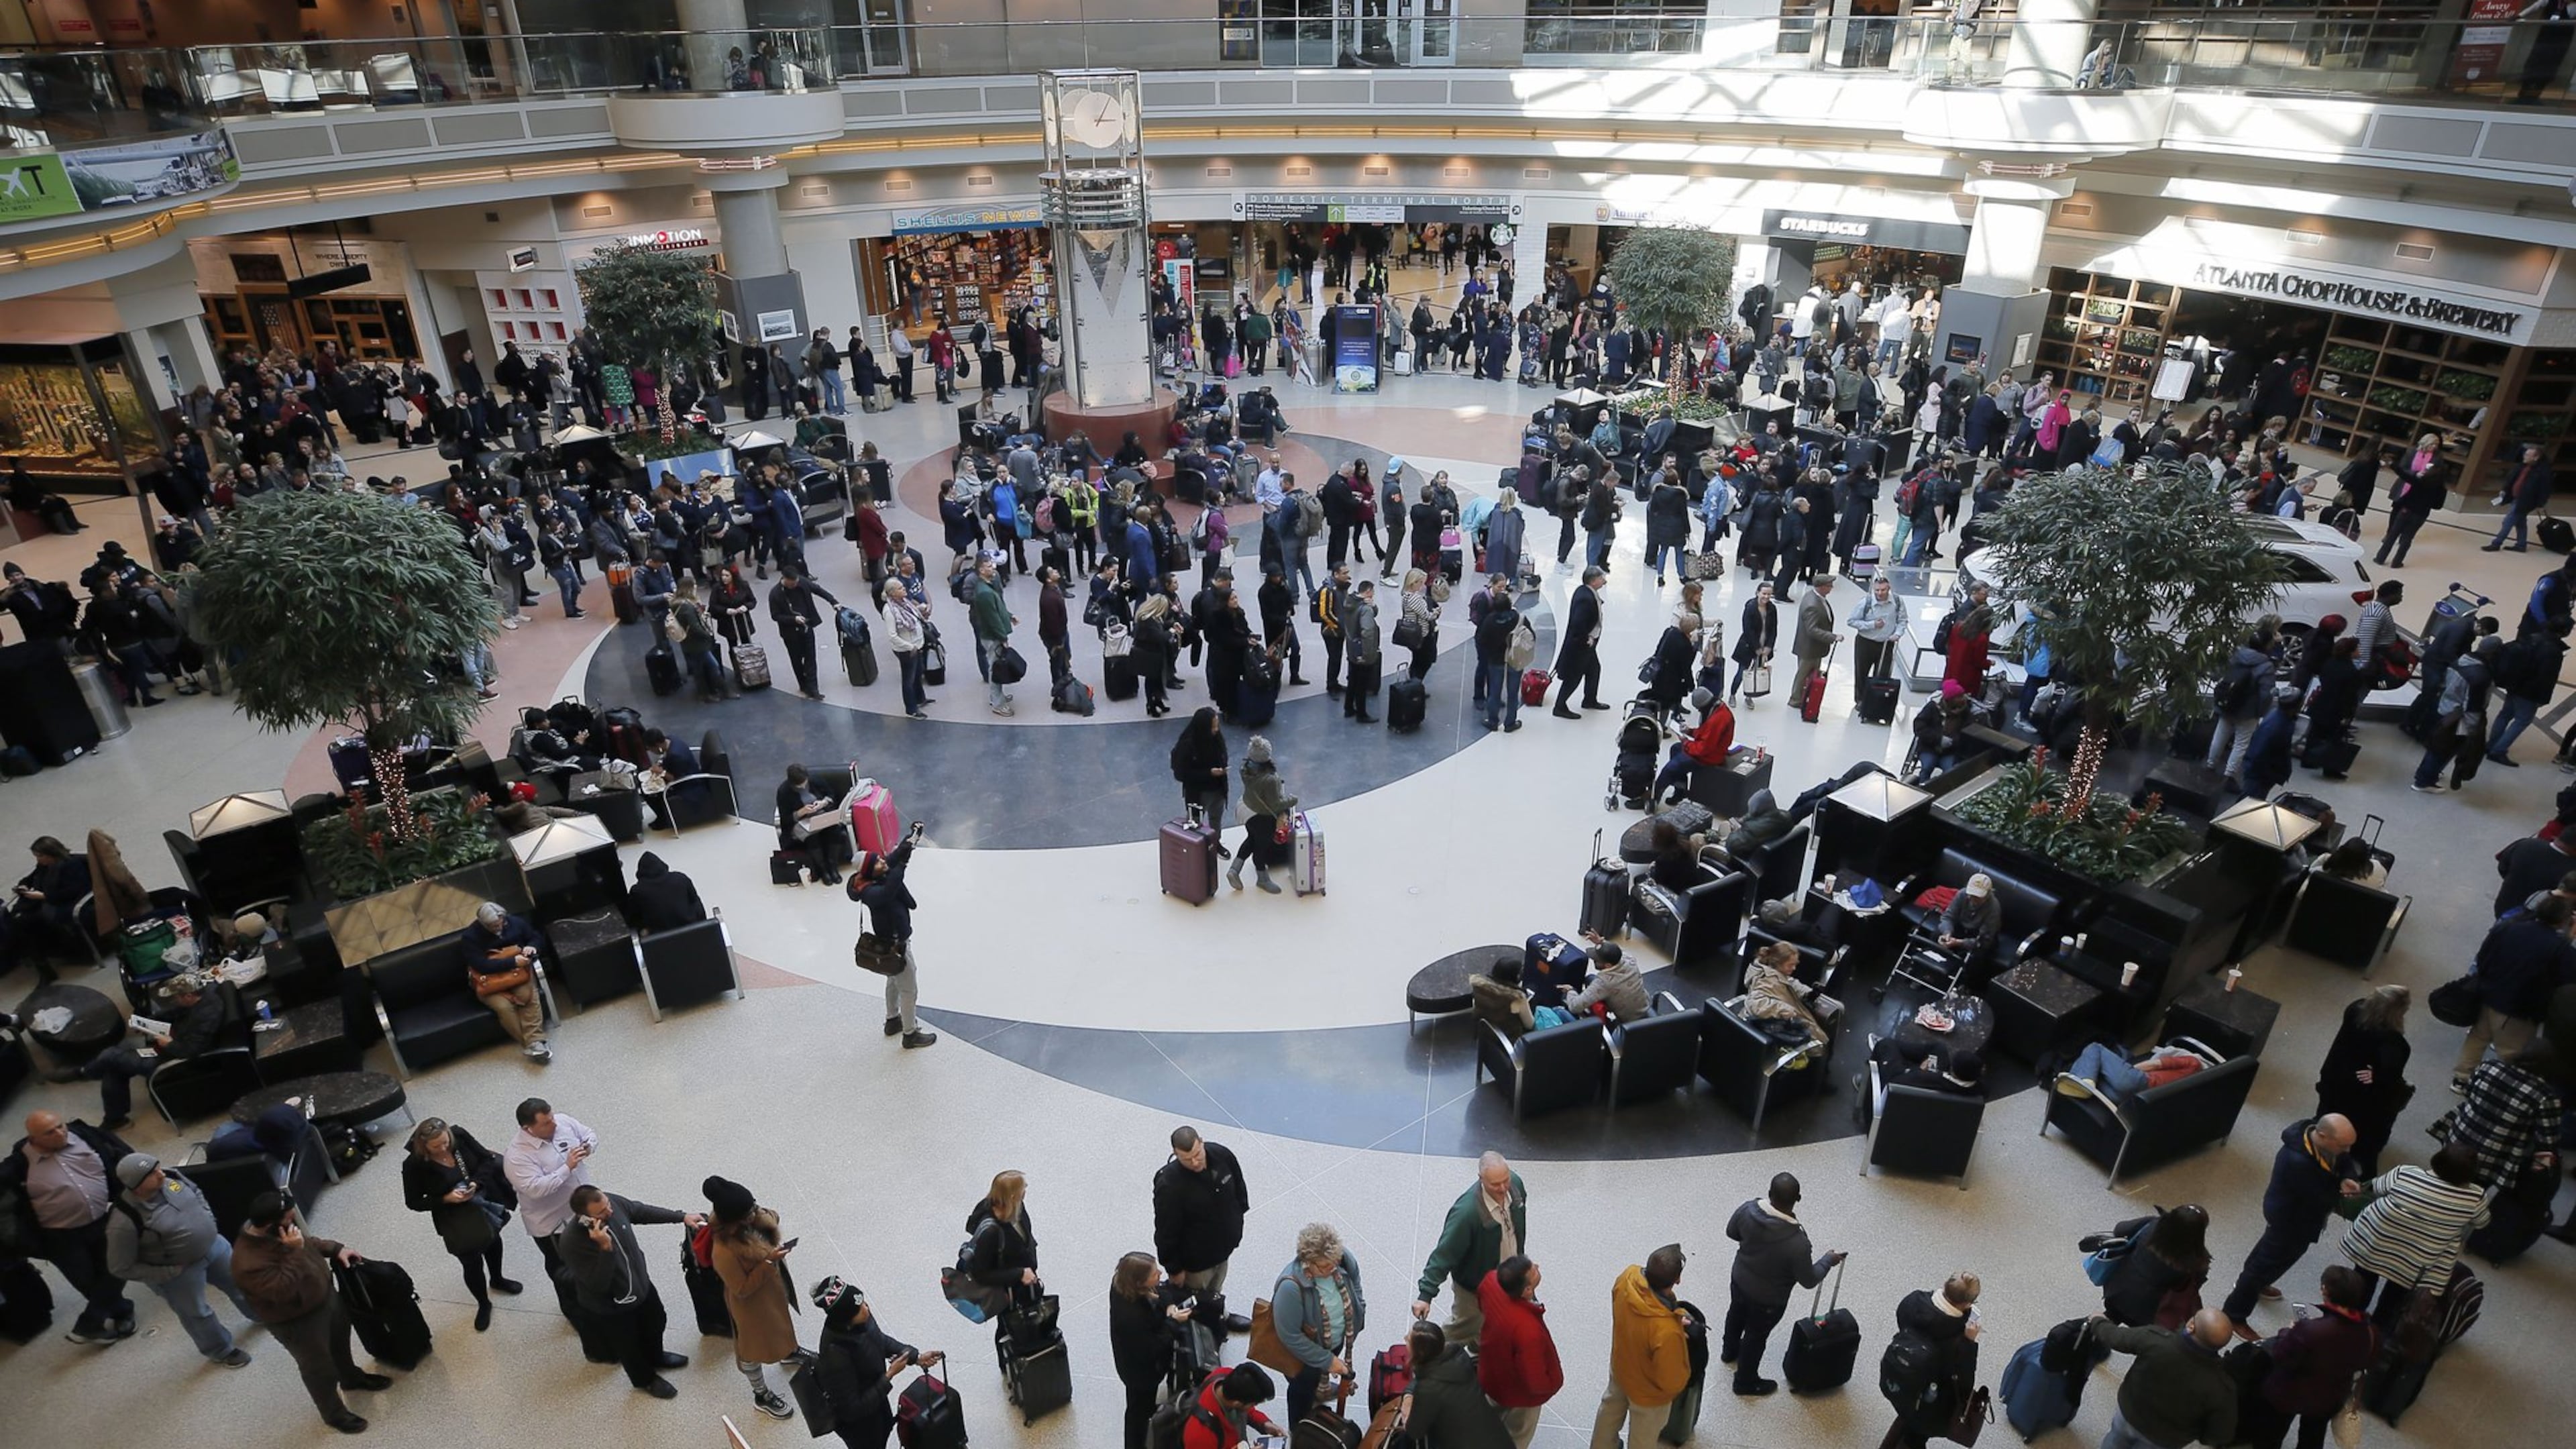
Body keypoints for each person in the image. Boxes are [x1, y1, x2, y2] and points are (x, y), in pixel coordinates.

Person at [233, 1190, 395, 1432]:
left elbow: (306, 1242)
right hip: (298, 1321)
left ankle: (351, 1378)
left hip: (325, 1299)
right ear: (269, 1224)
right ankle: (334, 1414)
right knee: (319, 1368)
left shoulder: (282, 1231)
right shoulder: (247, 1263)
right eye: (288, 1218)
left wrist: (334, 1248)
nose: (293, 1222)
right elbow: (283, 1291)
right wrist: (294, 1251)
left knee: (340, 1343)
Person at [103, 1151, 256, 1366]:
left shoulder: (171, 1178)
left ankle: (260, 1315)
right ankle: (221, 1350)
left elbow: (196, 1191)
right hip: (179, 1273)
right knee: (197, 1313)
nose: (161, 1174)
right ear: (137, 1187)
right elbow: (120, 1267)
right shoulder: (123, 1222)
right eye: (152, 1173)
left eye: (158, 1167)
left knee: (241, 1283)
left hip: (214, 1247)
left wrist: (208, 1218)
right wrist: (166, 1274)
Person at [556, 1183, 705, 1398]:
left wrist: (681, 1217)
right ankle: (644, 1379)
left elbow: (639, 1210)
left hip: (639, 1284)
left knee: (657, 1321)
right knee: (629, 1346)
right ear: (585, 1217)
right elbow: (598, 1284)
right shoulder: (573, 1242)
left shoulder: (611, 1203)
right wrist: (605, 1248)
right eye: (601, 1213)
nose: (610, 1211)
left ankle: (656, 1356)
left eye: (607, 1205)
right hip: (612, 1305)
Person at [4, 1110, 138, 1344]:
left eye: (60, 1126)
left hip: (101, 1219)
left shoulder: (86, 1136)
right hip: (59, 1236)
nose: (60, 1133)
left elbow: (121, 1156)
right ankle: (119, 1311)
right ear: (33, 1139)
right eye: (49, 1132)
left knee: (116, 1267)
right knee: (86, 1280)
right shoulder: (18, 1167)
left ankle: (92, 1322)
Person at [2219, 1118, 2359, 1337]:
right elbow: (2320, 1198)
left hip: (2301, 1218)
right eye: (2343, 1145)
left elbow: (2344, 1160)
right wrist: (2343, 1193)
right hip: (2290, 1220)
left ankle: (2257, 1283)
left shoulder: (2320, 1140)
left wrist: (2347, 1177)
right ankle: (2234, 1315)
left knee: (2272, 1256)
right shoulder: (2297, 1161)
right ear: (2323, 1136)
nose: (2347, 1150)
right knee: (2267, 1262)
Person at [500, 1097, 614, 1361]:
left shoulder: (562, 1122)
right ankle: (574, 1311)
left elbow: (589, 1134)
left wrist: (588, 1147)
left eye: (551, 1117)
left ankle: (598, 1296)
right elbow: (535, 1189)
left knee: (593, 1256)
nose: (554, 1124)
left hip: (582, 1211)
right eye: (546, 1123)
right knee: (564, 1270)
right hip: (553, 1224)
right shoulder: (517, 1156)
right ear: (529, 1128)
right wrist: (568, 1167)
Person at [1723, 1173, 1843, 1397]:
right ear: (1798, 1198)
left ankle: (1729, 1351)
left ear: (1770, 1194)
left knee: (1736, 1313)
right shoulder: (1798, 1243)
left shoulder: (1748, 1210)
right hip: (1767, 1301)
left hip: (1739, 1280)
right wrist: (1828, 1260)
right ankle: (1745, 1382)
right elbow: (1808, 1280)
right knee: (1756, 1336)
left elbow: (1731, 1232)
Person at [2340, 1142, 2491, 1322]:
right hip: (2417, 1258)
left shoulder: (2406, 1173)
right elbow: (2482, 1222)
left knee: (2363, 1279)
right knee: (2396, 1295)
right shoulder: (2476, 1197)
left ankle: (2348, 1319)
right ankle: (2378, 1328)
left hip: (2378, 1241)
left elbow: (2376, 1187)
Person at [55, 971, 225, 1130]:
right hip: (170, 1047)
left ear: (188, 996)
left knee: (111, 1056)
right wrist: (149, 1022)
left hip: (175, 1061)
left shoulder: (206, 1016)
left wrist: (169, 1044)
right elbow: (177, 1012)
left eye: (176, 997)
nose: (174, 1000)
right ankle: (114, 1119)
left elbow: (191, 1050)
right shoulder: (201, 998)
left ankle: (84, 1073)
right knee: (113, 1066)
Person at [399, 1118, 522, 1333]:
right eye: (436, 1146)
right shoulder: (413, 1165)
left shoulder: (460, 1137)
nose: (443, 1148)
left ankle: (497, 1278)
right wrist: (446, 1198)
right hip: (453, 1218)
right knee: (470, 1261)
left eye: (445, 1142)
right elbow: (414, 1202)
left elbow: (487, 1160)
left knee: (493, 1240)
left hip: (481, 1202)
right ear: (423, 1145)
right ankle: (483, 1303)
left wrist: (476, 1183)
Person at [2243, 1266, 2376, 1449]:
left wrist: (2288, 1332)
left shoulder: (2309, 1331)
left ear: (2325, 1290)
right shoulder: (2370, 1332)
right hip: (2330, 1397)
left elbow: (2282, 1356)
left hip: (2290, 1392)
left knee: (2272, 1433)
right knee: (2313, 1436)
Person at [704, 1175, 802, 1421]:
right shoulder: (724, 1251)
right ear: (733, 1220)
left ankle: (789, 1351)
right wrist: (769, 1262)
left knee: (781, 1326)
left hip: (772, 1293)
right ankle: (761, 1394)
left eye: (753, 1207)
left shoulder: (752, 1215)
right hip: (751, 1307)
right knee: (751, 1349)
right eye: (748, 1213)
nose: (753, 1214)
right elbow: (741, 1288)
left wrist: (761, 1215)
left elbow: (772, 1218)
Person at [2455, 895, 2576, 1087]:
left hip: (2487, 994)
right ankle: (2502, 1089)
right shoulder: (2560, 949)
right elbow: (2567, 981)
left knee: (2477, 1038)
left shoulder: (2508, 927)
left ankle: (2462, 1078)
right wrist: (2569, 939)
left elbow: (2484, 955)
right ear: (2564, 920)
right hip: (2518, 1010)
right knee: (2512, 1053)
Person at [810, 1274, 943, 1449]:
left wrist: (915, 1357)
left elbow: (879, 1340)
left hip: (876, 1402)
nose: (867, 1308)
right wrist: (889, 1376)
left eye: (863, 1302)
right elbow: (852, 1410)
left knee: (883, 1433)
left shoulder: (860, 1319)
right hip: (860, 1425)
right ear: (847, 1320)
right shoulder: (835, 1355)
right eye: (860, 1308)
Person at [1411, 1152, 1527, 1346]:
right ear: (1481, 1179)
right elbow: (1444, 1254)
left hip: (1508, 1276)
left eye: (1505, 1180)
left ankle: (1478, 1355)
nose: (1502, 1188)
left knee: (1495, 1324)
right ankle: (1432, 1358)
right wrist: (1426, 1295)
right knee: (1462, 1328)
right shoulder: (1467, 1214)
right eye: (1495, 1184)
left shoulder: (1515, 1186)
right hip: (1475, 1287)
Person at [1589, 1244, 1693, 1449]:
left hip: (1621, 1365)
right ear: (1677, 1280)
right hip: (1647, 1393)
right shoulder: (1666, 1330)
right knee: (1642, 1438)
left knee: (1610, 1411)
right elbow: (1671, 1381)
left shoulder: (1627, 1278)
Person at [2089, 1308, 2239, 1449]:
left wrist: (2098, 1321)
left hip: (2129, 1413)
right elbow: (2220, 1434)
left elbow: (2116, 1338)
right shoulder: (2222, 1388)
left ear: (2192, 1326)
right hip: (2165, 1440)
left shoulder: (2156, 1340)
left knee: (2115, 1441)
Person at [850, 819, 936, 1049]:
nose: (882, 860)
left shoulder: (876, 874)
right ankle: (910, 1034)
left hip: (891, 945)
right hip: (897, 945)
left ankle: (892, 1020)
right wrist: (903, 866)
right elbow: (891, 887)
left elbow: (896, 856)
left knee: (893, 979)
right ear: (870, 870)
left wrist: (913, 838)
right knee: (909, 989)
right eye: (877, 861)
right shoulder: (871, 892)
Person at [1271, 1222, 1365, 1425]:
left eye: (1334, 1262)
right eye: (1324, 1266)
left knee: (1319, 1375)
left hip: (1335, 1340)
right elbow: (1290, 1337)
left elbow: (1356, 1283)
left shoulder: (1342, 1259)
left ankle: (1320, 1389)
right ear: (1308, 1261)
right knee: (1302, 1389)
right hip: (1303, 1356)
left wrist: (1360, 1309)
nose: (1332, 1269)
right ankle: (1299, 1428)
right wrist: (1328, 1361)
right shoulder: (1290, 1287)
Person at [1154, 1126, 1250, 1324]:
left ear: (1202, 1142)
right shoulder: (1169, 1184)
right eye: (1187, 1159)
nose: (1195, 1162)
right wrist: (1174, 1269)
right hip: (1195, 1263)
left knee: (1215, 1289)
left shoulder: (1222, 1155)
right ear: (1175, 1154)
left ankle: (1218, 1315)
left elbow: (1239, 1187)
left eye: (1198, 1154)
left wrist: (1238, 1219)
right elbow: (1166, 1232)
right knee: (1194, 1301)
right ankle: (1200, 1333)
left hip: (1223, 1248)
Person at [2313, 987, 2411, 1177]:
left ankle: (2321, 1138)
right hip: (2362, 1093)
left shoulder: (2354, 1010)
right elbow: (2392, 1075)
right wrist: (2378, 1075)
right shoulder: (2394, 1042)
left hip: (2336, 1075)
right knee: (2366, 1130)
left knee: (2328, 1109)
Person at [1880, 1272, 1981, 1449]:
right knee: (1918, 1432)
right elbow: (1964, 1383)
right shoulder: (1958, 1341)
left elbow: (1901, 1321)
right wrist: (1969, 1343)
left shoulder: (1913, 1301)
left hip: (1898, 1374)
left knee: (1907, 1413)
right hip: (1929, 1400)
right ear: (1968, 1304)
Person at [2441, 1047, 2562, 1189]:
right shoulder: (2545, 1096)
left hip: (2458, 1137)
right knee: (2473, 1189)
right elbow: (2547, 1140)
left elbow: (2469, 1092)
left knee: (2443, 1175)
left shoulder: (2489, 1066)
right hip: (2492, 1157)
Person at [1476, 1254, 1564, 1449]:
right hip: (1520, 1395)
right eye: (1534, 1271)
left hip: (1491, 1374)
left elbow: (1482, 1305)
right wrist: (1553, 1384)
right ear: (1527, 1290)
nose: (1538, 1266)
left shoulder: (1491, 1280)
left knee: (1488, 1420)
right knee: (1517, 1437)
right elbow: (1535, 1381)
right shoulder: (1527, 1330)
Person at [1110, 1251, 1196, 1448]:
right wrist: (1173, 1322)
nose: (1159, 1273)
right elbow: (1153, 1348)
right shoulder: (1130, 1318)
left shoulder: (1122, 1283)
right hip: (1140, 1372)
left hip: (1138, 1361)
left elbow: (1160, 1290)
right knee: (1137, 1412)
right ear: (1139, 1283)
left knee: (1141, 1405)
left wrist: (1169, 1305)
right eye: (1153, 1274)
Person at [459, 900, 552, 1062]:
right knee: (504, 1008)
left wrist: (532, 947)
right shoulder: (470, 937)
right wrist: (512, 962)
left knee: (528, 996)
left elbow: (535, 937)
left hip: (518, 974)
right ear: (482, 923)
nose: (499, 928)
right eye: (493, 926)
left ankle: (535, 1044)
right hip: (490, 982)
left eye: (500, 924)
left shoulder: (515, 922)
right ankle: (534, 1044)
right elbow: (481, 965)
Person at [1405, 1320, 1517, 1446]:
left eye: (1408, 1340)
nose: (1405, 1340)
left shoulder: (1428, 1388)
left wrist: (1408, 1396)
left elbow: (1414, 1431)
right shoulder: (1458, 1354)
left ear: (1419, 1352)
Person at [4, 836, 91, 981]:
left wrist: (43, 896)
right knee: (16, 919)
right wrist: (24, 885)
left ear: (52, 853)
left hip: (62, 905)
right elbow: (30, 878)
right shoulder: (45, 865)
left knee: (22, 923)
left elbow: (73, 892)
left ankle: (43, 967)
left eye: (40, 856)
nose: (38, 860)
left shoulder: (72, 865)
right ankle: (41, 959)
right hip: (46, 901)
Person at [962, 1169, 1042, 1327]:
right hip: (1011, 1296)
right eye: (1022, 1189)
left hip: (1027, 1286)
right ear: (1012, 1195)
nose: (1025, 1191)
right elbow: (981, 1274)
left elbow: (1025, 1238)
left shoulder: (1017, 1208)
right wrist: (1019, 1274)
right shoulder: (991, 1231)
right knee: (1015, 1335)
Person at [1228, 736, 1298, 894]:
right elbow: (1276, 804)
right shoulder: (1270, 780)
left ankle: (1235, 869)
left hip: (1246, 808)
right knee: (1261, 847)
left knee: (1251, 839)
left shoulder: (1245, 768)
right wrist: (1292, 801)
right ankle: (1262, 879)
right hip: (1262, 816)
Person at [767, 566, 842, 702]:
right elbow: (775, 616)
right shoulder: (775, 594)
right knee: (796, 660)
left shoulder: (802, 582)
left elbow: (818, 590)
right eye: (793, 583)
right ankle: (803, 684)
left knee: (811, 657)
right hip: (790, 633)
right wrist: (793, 619)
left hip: (806, 627)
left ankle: (813, 688)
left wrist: (833, 601)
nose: (796, 584)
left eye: (796, 582)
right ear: (785, 579)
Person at [2058, 1041, 2208, 1108]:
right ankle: (2084, 1083)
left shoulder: (2192, 1062)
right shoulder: (2196, 1085)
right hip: (2131, 1099)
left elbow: (2154, 1064)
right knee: (2098, 1073)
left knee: (2095, 1048)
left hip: (2139, 1081)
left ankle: (2082, 1081)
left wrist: (2129, 1068)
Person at [1180, 1362, 1285, 1449]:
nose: (1254, 1406)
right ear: (1237, 1403)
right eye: (1254, 1404)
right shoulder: (1200, 1435)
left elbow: (1247, 1411)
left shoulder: (1227, 1376)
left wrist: (1264, 1424)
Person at [776, 761, 847, 887]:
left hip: (821, 814)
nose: (803, 787)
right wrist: (800, 812)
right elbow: (785, 819)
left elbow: (831, 794)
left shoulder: (815, 779)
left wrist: (823, 803)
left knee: (835, 830)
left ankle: (833, 867)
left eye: (805, 783)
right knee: (812, 837)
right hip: (802, 822)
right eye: (799, 786)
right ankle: (823, 870)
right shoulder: (784, 792)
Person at [967, 552, 1019, 716]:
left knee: (996, 665)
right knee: (996, 668)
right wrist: (1003, 638)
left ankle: (997, 696)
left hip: (993, 634)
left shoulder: (988, 587)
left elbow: (998, 608)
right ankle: (997, 703)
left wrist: (1009, 615)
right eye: (989, 566)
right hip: (992, 637)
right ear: (981, 571)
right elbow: (992, 618)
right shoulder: (984, 593)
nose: (994, 568)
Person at [1552, 566, 1607, 717]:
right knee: (1574, 676)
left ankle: (1590, 699)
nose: (1604, 580)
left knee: (1594, 670)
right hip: (1581, 646)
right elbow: (1578, 625)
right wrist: (1586, 640)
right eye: (1602, 578)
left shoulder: (1585, 592)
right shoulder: (1586, 599)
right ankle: (1560, 706)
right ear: (1594, 581)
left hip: (1587, 645)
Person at [2483, 443, 2555, 551]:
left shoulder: (2543, 472)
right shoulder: (2522, 466)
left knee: (2508, 521)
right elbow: (2512, 479)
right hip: (2516, 498)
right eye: (2525, 454)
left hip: (2526, 501)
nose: (2524, 457)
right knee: (2520, 523)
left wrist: (2541, 504)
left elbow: (2544, 490)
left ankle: (2496, 543)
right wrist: (2505, 490)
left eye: (2528, 455)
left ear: (2536, 457)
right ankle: (2521, 545)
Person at [1788, 574, 1839, 716]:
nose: (1832, 588)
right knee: (1803, 674)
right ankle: (1796, 699)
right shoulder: (1812, 604)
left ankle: (1803, 696)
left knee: (1809, 673)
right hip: (1809, 648)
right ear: (1822, 587)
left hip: (1814, 648)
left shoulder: (1815, 597)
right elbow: (1812, 630)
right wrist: (1832, 637)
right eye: (1829, 586)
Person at [1849, 574, 1907, 702]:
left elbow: (1902, 620)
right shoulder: (1866, 602)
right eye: (1877, 590)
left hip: (1886, 644)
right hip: (1865, 643)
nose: (1880, 593)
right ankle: (1860, 700)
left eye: (1883, 590)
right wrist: (1872, 624)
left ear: (1889, 589)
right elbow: (1852, 621)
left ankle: (1875, 701)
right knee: (1861, 673)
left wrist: (1897, 634)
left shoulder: (1897, 601)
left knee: (1883, 675)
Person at [1172, 706, 1232, 828]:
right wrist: (1209, 773)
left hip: (1218, 789)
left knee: (1216, 821)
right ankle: (1196, 846)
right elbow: (1181, 773)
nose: (1216, 730)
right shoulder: (1187, 746)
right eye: (1213, 726)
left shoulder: (1216, 739)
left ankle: (1215, 844)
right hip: (1198, 794)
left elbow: (1223, 755)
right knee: (1194, 824)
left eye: (1217, 725)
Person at [1566, 938, 1650, 1022]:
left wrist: (1571, 991)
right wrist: (1602, 943)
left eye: (1596, 960)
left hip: (1629, 1020)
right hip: (1644, 1005)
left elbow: (1575, 1007)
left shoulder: (1604, 983)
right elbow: (1617, 951)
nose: (1593, 960)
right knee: (1590, 978)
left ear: (1608, 965)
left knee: (1575, 995)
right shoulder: (1630, 960)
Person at [627, 851, 708, 933]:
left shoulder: (637, 891)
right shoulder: (681, 879)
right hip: (694, 933)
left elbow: (633, 922)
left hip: (660, 941)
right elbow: (697, 905)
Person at [1729, 581, 1778, 705]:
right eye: (1764, 593)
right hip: (1748, 647)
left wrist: (1769, 647)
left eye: (1769, 594)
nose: (1766, 597)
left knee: (1756, 673)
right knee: (1742, 672)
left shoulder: (1772, 608)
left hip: (1764, 647)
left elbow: (1773, 629)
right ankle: (1733, 694)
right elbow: (1748, 630)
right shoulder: (1750, 608)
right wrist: (1756, 647)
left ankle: (1749, 695)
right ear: (1758, 593)